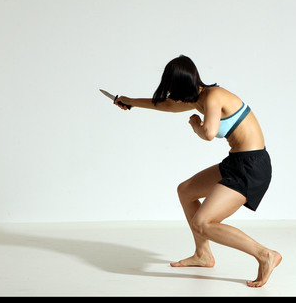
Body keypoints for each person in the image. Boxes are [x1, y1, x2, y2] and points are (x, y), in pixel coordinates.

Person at [114, 55, 281, 288]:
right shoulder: (197, 98)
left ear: (184, 84)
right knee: (185, 191)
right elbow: (168, 106)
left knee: (203, 222)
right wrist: (130, 101)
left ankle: (265, 254)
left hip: (252, 166)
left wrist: (195, 124)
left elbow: (209, 133)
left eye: (172, 88)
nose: (171, 94)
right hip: (237, 161)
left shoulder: (213, 96)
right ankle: (203, 255)